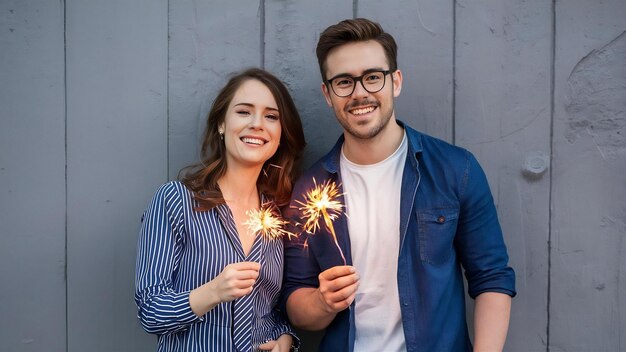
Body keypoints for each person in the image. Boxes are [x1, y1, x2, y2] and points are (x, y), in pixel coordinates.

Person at [281, 18, 516, 352]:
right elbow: (296, 301)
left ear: (396, 81)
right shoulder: (310, 189)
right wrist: (322, 301)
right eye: (344, 82)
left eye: (373, 77)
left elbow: (491, 277)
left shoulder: (455, 169)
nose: (360, 92)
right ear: (328, 94)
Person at [135, 68, 305, 352]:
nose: (257, 124)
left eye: (271, 116)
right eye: (243, 112)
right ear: (221, 124)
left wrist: (284, 340)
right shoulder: (175, 200)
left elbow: (268, 311)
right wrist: (213, 292)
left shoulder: (276, 218)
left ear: (280, 135)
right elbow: (151, 312)